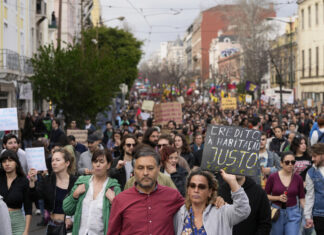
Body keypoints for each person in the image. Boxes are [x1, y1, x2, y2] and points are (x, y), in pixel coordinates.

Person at [107, 145, 184, 235]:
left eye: (150, 168)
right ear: (134, 170)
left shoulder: (173, 196)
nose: (145, 173)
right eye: (140, 168)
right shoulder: (120, 200)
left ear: (158, 168)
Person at [174, 169, 251, 234]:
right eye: (192, 186)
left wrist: (232, 181)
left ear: (210, 192)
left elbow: (243, 210)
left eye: (201, 187)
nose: (196, 190)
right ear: (188, 190)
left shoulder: (221, 212)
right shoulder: (180, 214)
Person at [63, 149, 121, 235]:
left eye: (101, 162)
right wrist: (74, 195)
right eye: (95, 161)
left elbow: (120, 219)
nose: (97, 164)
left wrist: (114, 202)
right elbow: (67, 209)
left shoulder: (114, 188)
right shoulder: (82, 182)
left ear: (108, 165)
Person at [28, 148, 77, 234]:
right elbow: (35, 198)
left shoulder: (75, 182)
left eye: (57, 160)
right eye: (52, 160)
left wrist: (72, 219)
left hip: (71, 228)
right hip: (52, 226)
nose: (54, 163)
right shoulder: (48, 181)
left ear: (67, 163)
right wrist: (32, 182)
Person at [265, 152, 305, 235]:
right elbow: (265, 195)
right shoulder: (273, 177)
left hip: (293, 212)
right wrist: (278, 198)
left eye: (293, 162)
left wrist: (307, 215)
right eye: (287, 162)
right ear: (281, 163)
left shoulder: (298, 178)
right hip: (276, 212)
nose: (290, 165)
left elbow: (302, 198)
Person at [0, 150, 32, 235]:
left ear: (17, 163)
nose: (7, 164)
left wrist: (26, 231)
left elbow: (28, 208)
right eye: (4, 161)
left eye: (10, 161)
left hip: (18, 222)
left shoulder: (23, 181)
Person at [304, 143, 324, 234]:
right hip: (319, 214)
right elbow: (309, 195)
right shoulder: (311, 173)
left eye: (315, 156)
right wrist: (308, 216)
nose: (312, 159)